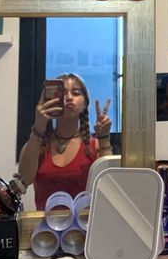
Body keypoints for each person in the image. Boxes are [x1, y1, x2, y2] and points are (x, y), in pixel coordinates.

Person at [18, 73, 112, 210]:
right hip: (45, 229)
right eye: (62, 93)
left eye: (75, 93)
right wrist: (38, 127)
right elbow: (25, 180)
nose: (69, 98)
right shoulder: (39, 146)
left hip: (84, 229)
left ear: (85, 103)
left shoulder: (93, 146)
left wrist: (104, 138)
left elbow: (109, 187)